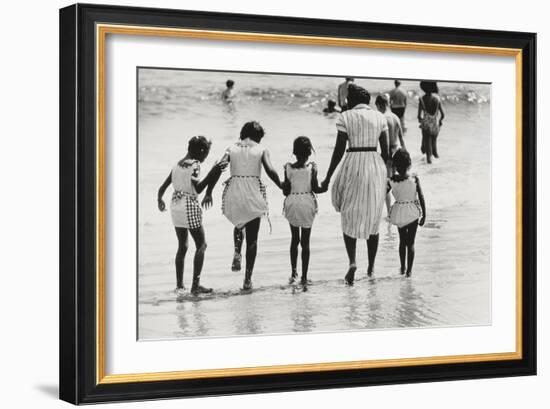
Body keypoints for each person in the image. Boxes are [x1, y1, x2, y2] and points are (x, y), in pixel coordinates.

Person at [321, 84, 390, 285]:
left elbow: (339, 150)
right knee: (373, 216)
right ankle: (371, 268)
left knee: (348, 212)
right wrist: (386, 176)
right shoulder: (380, 117)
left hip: (353, 162)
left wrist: (327, 177)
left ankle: (352, 262)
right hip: (375, 165)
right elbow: (386, 153)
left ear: (351, 101)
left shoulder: (345, 117)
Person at [157, 136, 228, 296]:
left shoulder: (176, 164)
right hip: (188, 205)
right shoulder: (194, 165)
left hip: (175, 205)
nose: (205, 158)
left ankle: (179, 286)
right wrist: (214, 170)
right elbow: (199, 189)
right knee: (201, 245)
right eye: (206, 154)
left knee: (182, 246)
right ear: (201, 151)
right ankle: (195, 285)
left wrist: (159, 199)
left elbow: (162, 188)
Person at [221, 121, 283, 290]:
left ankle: (236, 252)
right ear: (258, 137)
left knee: (239, 223)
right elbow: (270, 170)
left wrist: (209, 190)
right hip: (253, 192)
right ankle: (247, 279)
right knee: (253, 238)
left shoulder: (231, 148)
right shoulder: (261, 149)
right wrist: (282, 186)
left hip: (235, 189)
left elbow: (220, 165)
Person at [282, 136, 326, 289]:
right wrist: (325, 185)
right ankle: (304, 276)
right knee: (305, 242)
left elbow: (285, 191)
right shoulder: (312, 168)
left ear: (294, 152)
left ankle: (294, 272)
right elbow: (316, 188)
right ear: (309, 152)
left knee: (294, 239)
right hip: (307, 203)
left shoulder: (287, 167)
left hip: (292, 203)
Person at [387, 150, 426, 277]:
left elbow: (382, 193)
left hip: (399, 212)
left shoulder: (392, 180)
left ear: (396, 166)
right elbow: (421, 196)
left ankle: (402, 267)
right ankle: (409, 271)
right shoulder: (414, 179)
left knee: (402, 241)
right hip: (412, 212)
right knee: (411, 243)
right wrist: (424, 214)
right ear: (409, 163)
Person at [375, 94, 406, 215]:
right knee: (396, 182)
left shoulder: (382, 118)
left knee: (386, 184)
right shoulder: (396, 117)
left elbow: (383, 141)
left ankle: (389, 212)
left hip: (389, 154)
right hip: (398, 151)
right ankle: (401, 206)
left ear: (379, 105)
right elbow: (402, 140)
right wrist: (405, 155)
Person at [418, 80, 445, 164]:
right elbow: (443, 115)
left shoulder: (422, 99)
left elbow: (419, 116)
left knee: (428, 154)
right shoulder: (437, 99)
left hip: (426, 126)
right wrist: (440, 121)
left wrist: (422, 121)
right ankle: (439, 167)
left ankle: (430, 173)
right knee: (434, 150)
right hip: (435, 125)